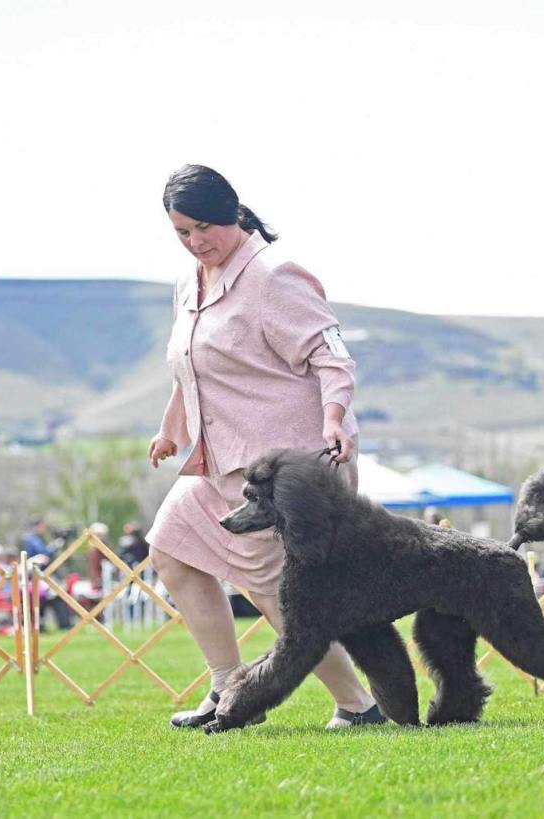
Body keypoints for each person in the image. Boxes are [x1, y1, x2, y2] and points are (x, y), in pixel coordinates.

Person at [146, 164, 381, 730]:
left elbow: (331, 356)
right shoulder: (190, 283)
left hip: (288, 471)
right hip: (221, 463)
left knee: (275, 590)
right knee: (170, 547)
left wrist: (334, 417)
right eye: (182, 232)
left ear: (232, 213)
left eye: (205, 227)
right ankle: (229, 685)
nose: (195, 241)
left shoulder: (274, 276)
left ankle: (358, 705)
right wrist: (171, 428)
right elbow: (191, 369)